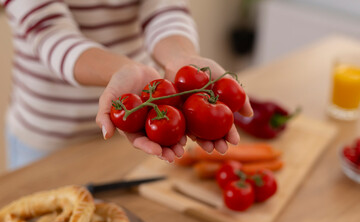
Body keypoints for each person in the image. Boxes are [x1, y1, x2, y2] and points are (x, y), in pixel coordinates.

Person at [1, 0, 253, 170]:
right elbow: (49, 33)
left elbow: (165, 9)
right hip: (49, 136)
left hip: (138, 120)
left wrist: (180, 59)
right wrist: (121, 71)